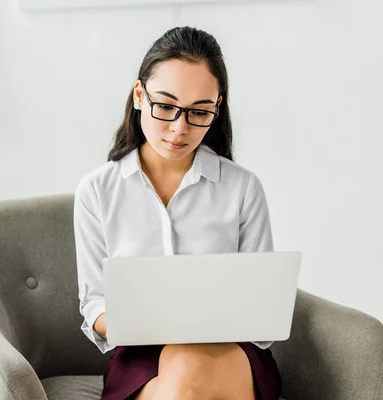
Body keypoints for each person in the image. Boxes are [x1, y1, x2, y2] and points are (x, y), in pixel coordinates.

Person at [73, 26, 282, 400]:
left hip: (232, 350)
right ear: (139, 95)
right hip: (140, 356)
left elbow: (260, 307)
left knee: (189, 368)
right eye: (165, 106)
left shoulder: (242, 188)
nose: (178, 128)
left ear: (216, 109)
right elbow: (94, 305)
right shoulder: (97, 191)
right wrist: (146, 323)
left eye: (199, 112)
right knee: (184, 371)